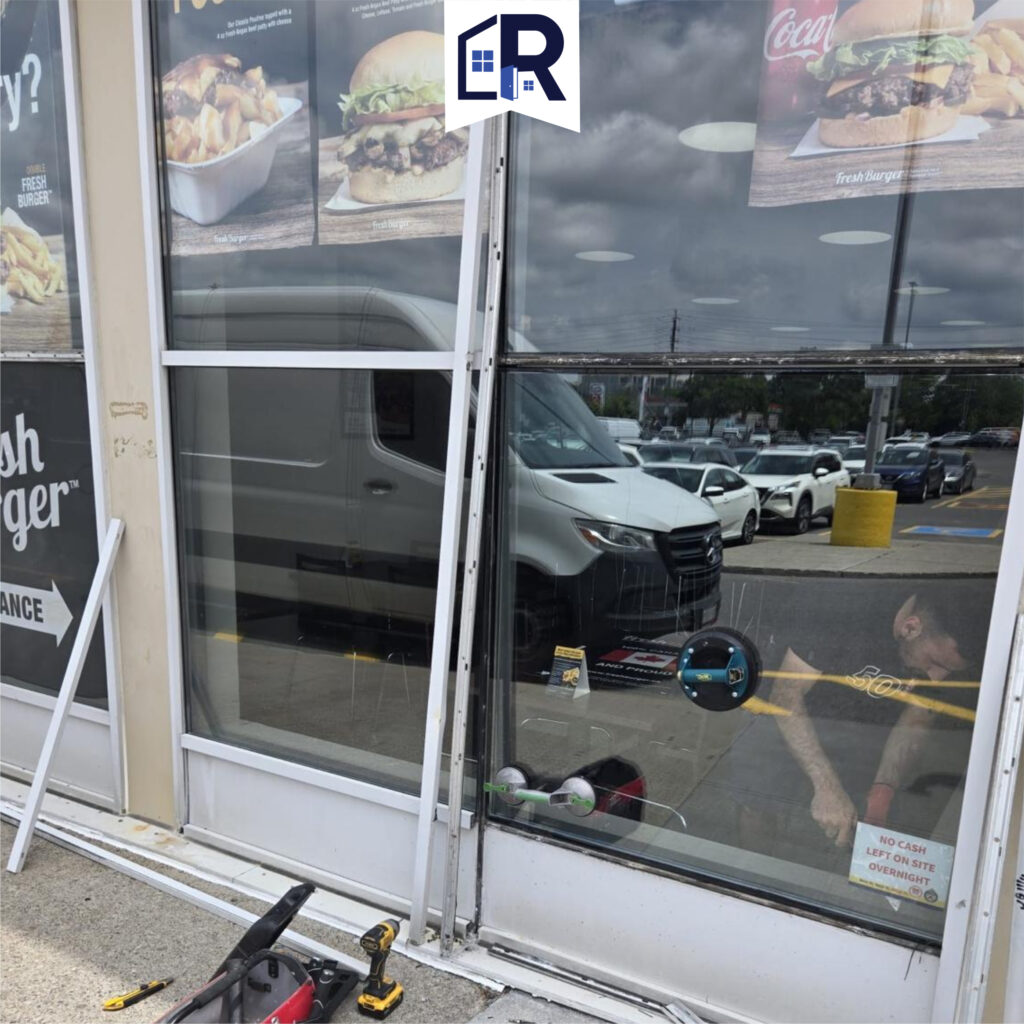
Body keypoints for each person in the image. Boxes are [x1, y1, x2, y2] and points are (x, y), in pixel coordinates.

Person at [698, 577, 990, 873]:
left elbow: (916, 718)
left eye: (947, 671)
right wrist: (826, 787)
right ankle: (754, 874)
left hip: (865, 724)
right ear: (910, 628)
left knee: (858, 823)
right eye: (934, 664)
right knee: (758, 795)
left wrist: (882, 792)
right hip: (784, 711)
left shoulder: (951, 637)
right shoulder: (841, 607)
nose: (936, 677)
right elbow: (787, 697)